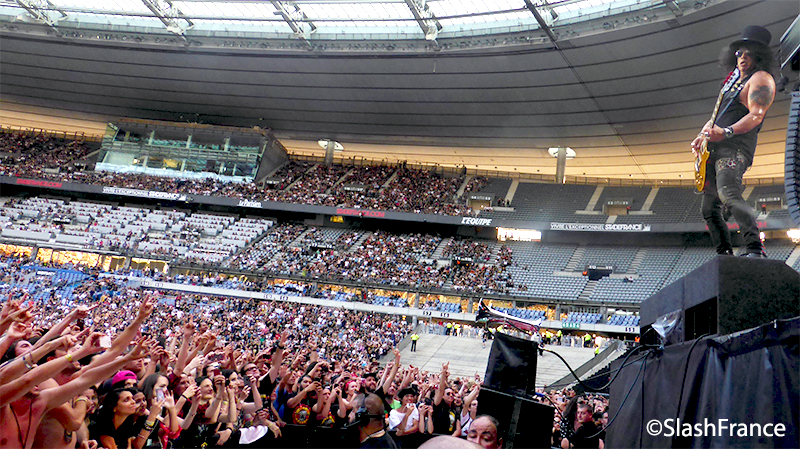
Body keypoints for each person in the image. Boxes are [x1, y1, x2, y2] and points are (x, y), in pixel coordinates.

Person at [691, 25, 776, 257]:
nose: (742, 57)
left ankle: (755, 248)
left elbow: (756, 115)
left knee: (729, 194)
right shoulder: (733, 81)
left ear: (760, 55)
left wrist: (726, 132)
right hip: (715, 148)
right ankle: (724, 255)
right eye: (739, 52)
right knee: (709, 209)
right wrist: (702, 135)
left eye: (749, 53)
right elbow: (716, 116)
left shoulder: (761, 79)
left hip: (734, 148)